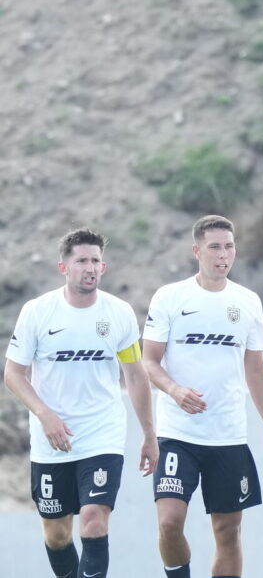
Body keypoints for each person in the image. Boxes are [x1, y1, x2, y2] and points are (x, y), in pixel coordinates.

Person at [4, 228, 157, 578]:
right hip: (51, 439)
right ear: (63, 267)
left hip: (102, 434)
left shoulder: (118, 313)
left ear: (104, 267)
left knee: (93, 519)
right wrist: (44, 415)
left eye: (96, 261)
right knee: (57, 535)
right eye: (82, 261)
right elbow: (13, 374)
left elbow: (135, 375)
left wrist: (150, 434)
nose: (90, 268)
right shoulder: (37, 312)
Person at [143, 215, 263, 578]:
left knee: (228, 532)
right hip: (178, 434)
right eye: (215, 247)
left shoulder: (247, 301)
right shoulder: (170, 297)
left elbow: (256, 370)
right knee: (169, 522)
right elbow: (149, 361)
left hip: (227, 435)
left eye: (229, 247)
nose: (223, 255)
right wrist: (174, 389)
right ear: (197, 251)